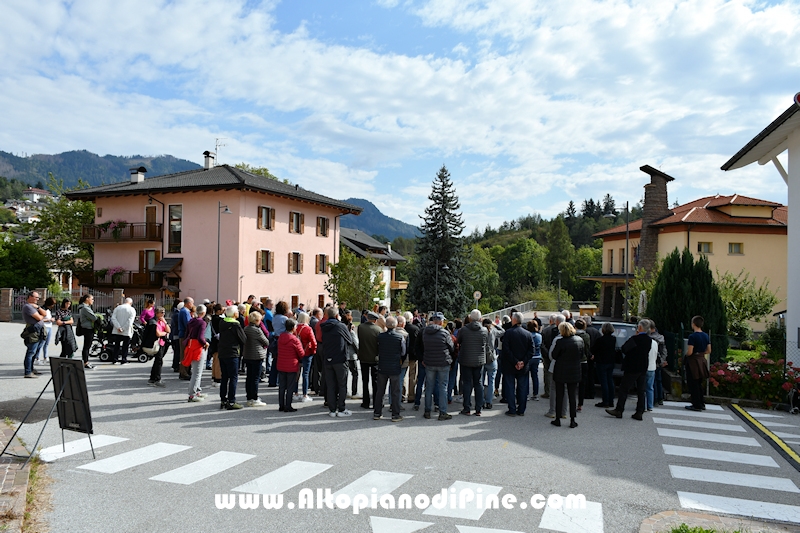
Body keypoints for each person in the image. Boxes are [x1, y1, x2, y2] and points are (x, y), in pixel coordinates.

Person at [606, 319, 657, 421]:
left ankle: (619, 410)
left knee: (624, 389)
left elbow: (624, 349)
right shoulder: (649, 340)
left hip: (632, 367)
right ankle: (639, 411)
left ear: (640, 328)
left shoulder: (635, 339)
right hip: (643, 367)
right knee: (641, 391)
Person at [320, 307, 355, 417]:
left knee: (331, 385)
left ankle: (332, 409)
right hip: (340, 358)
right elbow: (350, 340)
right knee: (342, 384)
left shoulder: (323, 326)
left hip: (328, 358)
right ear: (336, 316)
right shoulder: (341, 326)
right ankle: (341, 409)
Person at [420, 312, 455, 421]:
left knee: (429, 387)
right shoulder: (444, 333)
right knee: (443, 387)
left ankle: (427, 411)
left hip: (429, 362)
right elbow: (451, 347)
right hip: (443, 362)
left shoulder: (425, 332)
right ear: (440, 322)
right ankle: (442, 412)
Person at [550, 322, 584, 428]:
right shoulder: (579, 340)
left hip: (561, 370)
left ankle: (558, 418)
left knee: (559, 395)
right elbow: (582, 355)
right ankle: (573, 419)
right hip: (574, 371)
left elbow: (554, 355)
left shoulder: (560, 342)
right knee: (572, 396)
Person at [501, 312, 534, 417]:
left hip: (510, 365)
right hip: (523, 365)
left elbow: (506, 349)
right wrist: (523, 361)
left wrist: (515, 361)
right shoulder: (528, 334)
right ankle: (521, 410)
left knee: (510, 387)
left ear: (514, 320)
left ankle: (512, 409)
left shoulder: (508, 333)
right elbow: (531, 351)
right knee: (523, 387)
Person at [374, 315, 405, 422]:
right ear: (396, 325)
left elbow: (377, 349)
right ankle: (395, 414)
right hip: (394, 366)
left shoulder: (380, 336)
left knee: (380, 391)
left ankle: (377, 413)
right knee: (395, 391)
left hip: (382, 366)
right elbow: (403, 352)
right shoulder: (400, 337)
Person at [457, 309, 488, 416]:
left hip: (466, 360)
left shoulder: (464, 330)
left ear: (470, 318)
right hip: (479, 360)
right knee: (478, 384)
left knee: (467, 384)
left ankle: (467, 408)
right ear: (480, 319)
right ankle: (479, 408)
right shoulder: (484, 330)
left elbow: (458, 341)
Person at [218, 305, 246, 410]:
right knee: (233, 377)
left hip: (222, 351)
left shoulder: (222, 322)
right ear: (235, 314)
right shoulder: (235, 325)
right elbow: (243, 339)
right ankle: (231, 401)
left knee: (224, 377)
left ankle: (223, 399)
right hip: (232, 352)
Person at [685, 316, 711, 412]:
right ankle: (701, 402)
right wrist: (701, 353)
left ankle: (696, 404)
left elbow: (690, 351)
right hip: (702, 360)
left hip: (693, 361)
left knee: (693, 383)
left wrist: (686, 355)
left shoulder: (692, 336)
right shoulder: (706, 336)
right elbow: (709, 350)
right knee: (699, 382)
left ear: (693, 324)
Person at [243, 311, 269, 407]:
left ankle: (249, 397)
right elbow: (266, 341)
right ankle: (255, 398)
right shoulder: (257, 330)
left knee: (249, 377)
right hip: (257, 355)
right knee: (255, 378)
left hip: (248, 354)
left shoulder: (245, 329)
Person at [357, 311, 382, 409]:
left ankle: (365, 402)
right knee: (375, 382)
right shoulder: (378, 329)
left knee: (365, 380)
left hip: (363, 357)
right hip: (374, 358)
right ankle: (376, 401)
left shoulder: (360, 327)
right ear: (375, 320)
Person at [278, 318, 304, 412]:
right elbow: (301, 353)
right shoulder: (295, 340)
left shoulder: (281, 337)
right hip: (292, 365)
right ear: (293, 328)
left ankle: (281, 405)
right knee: (290, 386)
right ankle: (288, 405)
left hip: (281, 364)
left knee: (282, 386)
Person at [184, 304, 209, 402]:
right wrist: (205, 343)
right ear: (203, 313)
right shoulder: (202, 323)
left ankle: (197, 391)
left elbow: (187, 334)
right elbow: (200, 337)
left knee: (196, 370)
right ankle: (192, 394)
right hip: (198, 347)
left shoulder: (191, 321)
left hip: (191, 346)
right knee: (197, 372)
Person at [592, 322, 617, 408]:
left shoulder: (600, 340)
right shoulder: (613, 339)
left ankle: (605, 401)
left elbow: (594, 349)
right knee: (610, 380)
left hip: (601, 362)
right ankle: (611, 401)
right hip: (610, 361)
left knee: (604, 382)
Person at [293, 312, 317, 403]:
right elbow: (313, 342)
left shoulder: (295, 328)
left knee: (296, 373)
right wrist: (314, 351)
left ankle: (295, 393)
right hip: (307, 352)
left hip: (296, 352)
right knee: (305, 374)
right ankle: (304, 394)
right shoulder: (308, 329)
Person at [22, 291, 46, 377]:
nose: (37, 299)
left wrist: (38, 308)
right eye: (36, 297)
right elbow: (40, 317)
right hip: (33, 332)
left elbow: (45, 313)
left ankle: (31, 369)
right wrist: (41, 318)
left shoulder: (35, 307)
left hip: (39, 331)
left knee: (35, 351)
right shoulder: (28, 307)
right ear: (30, 297)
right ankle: (28, 372)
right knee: (31, 352)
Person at [145, 306, 170, 387]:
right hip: (156, 343)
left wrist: (165, 322)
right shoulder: (153, 321)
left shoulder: (161, 321)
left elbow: (169, 330)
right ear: (157, 313)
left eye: (164, 312)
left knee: (158, 361)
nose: (163, 314)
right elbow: (158, 333)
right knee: (159, 361)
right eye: (162, 312)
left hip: (162, 343)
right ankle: (157, 379)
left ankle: (152, 378)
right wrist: (165, 333)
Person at [648, 320, 668, 407]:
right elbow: (664, 350)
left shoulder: (650, 338)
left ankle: (654, 399)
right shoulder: (661, 337)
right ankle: (660, 398)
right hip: (659, 361)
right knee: (659, 380)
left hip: (652, 360)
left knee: (653, 381)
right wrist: (663, 360)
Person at [110, 297, 137, 364]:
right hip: (126, 331)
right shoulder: (132, 310)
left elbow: (113, 318)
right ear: (131, 303)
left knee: (117, 345)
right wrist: (123, 328)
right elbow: (130, 321)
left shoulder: (117, 308)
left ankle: (115, 359)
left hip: (117, 330)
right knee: (125, 346)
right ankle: (123, 359)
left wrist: (118, 327)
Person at [573, 319, 591, 411]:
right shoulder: (586, 336)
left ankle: (571, 402)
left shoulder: (573, 335)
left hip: (573, 361)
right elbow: (587, 348)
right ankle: (580, 404)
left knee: (572, 383)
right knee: (582, 383)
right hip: (583, 361)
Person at [481, 318, 499, 410]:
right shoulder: (494, 331)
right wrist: (495, 324)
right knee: (491, 381)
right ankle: (489, 401)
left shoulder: (481, 332)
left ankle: (481, 401)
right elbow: (503, 331)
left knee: (481, 380)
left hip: (482, 358)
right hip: (492, 358)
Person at [403, 311, 420, 404]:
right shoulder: (415, 328)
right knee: (412, 376)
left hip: (403, 355)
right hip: (413, 355)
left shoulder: (402, 328)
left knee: (402, 375)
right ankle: (411, 395)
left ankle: (402, 394)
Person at [342, 310, 360, 400]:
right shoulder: (351, 332)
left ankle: (345, 391)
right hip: (352, 355)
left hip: (344, 355)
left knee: (345, 374)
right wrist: (359, 353)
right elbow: (356, 344)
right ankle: (354, 392)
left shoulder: (342, 331)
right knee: (355, 374)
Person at [78, 294, 99, 369]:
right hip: (88, 328)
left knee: (87, 345)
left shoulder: (85, 307)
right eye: (92, 299)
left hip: (87, 327)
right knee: (87, 346)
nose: (93, 300)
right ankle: (85, 362)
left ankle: (86, 362)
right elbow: (94, 317)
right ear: (87, 299)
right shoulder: (85, 308)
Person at [34, 297, 56, 365]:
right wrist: (49, 320)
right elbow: (40, 319)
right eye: (52, 304)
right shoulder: (42, 309)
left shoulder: (49, 310)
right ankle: (37, 358)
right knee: (41, 343)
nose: (53, 306)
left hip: (49, 327)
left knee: (46, 344)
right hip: (44, 327)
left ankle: (45, 357)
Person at [177, 297, 194, 380]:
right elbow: (188, 324)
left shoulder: (184, 311)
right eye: (192, 303)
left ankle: (185, 371)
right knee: (184, 354)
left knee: (186, 353)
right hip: (184, 335)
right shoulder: (185, 311)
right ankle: (183, 372)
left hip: (184, 335)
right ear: (188, 303)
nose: (193, 304)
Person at [527, 320, 542, 401]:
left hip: (529, 357)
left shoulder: (527, 335)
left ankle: (526, 394)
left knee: (526, 376)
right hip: (537, 357)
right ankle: (535, 394)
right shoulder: (539, 336)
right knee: (535, 376)